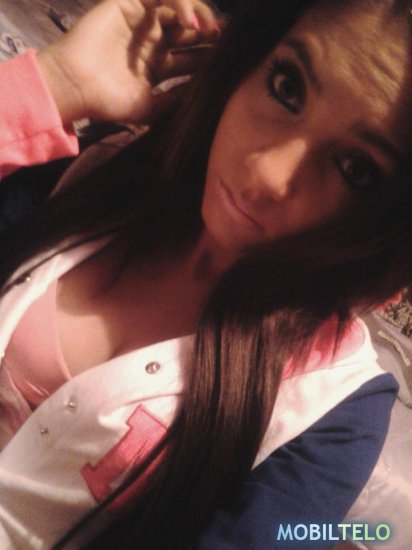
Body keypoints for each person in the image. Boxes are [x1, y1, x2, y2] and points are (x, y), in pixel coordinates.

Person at [0, 0, 411, 548]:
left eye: (355, 169)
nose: (267, 173)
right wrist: (55, 85)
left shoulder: (333, 411)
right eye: (287, 87)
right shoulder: (106, 169)